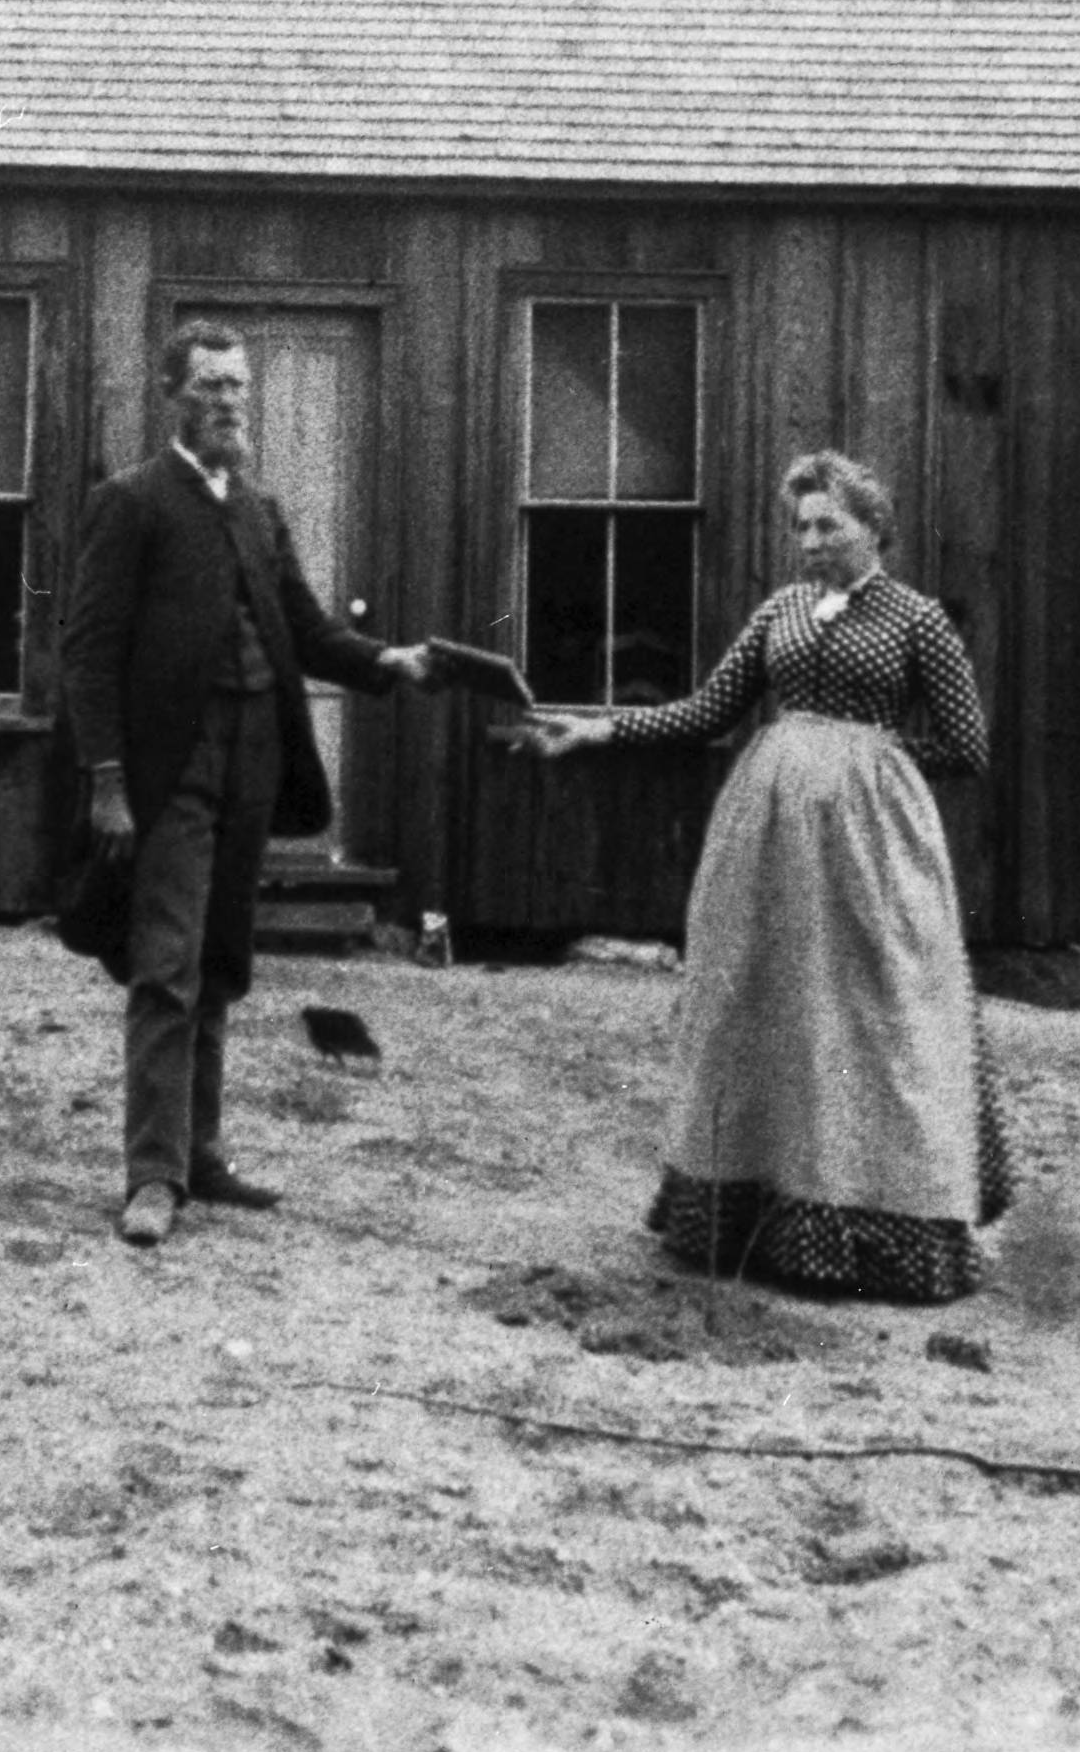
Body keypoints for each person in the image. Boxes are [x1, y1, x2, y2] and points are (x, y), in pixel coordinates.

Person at [523, 448, 1013, 1303]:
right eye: (802, 526)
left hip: (870, 849)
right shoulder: (782, 610)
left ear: (874, 528)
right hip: (767, 841)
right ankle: (754, 1220)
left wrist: (874, 760)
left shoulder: (916, 619)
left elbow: (968, 746)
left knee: (873, 1017)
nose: (812, 540)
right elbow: (707, 711)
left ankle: (882, 1228)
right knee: (761, 1008)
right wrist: (597, 730)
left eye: (830, 524)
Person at [61, 320, 435, 1250]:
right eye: (211, 386)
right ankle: (153, 1175)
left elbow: (306, 633)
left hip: (255, 762)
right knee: (167, 965)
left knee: (221, 961)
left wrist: (388, 659)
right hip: (169, 772)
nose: (230, 401)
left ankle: (204, 1154)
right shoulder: (133, 503)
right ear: (173, 396)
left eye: (238, 386)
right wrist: (108, 778)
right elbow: (88, 650)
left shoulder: (261, 513)